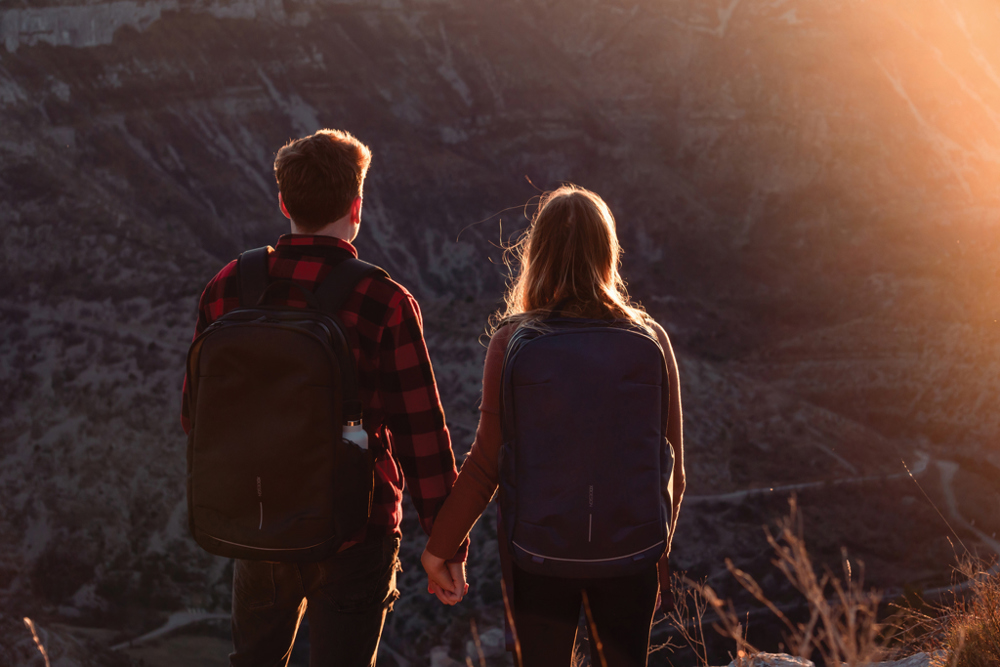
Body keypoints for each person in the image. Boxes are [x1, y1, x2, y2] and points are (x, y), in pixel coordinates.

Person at [181, 128, 468, 666]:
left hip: (259, 520)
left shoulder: (227, 287)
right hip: (357, 530)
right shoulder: (383, 300)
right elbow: (421, 435)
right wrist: (446, 545)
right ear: (356, 207)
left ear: (284, 201)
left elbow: (195, 413)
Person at [420, 184, 684, 667]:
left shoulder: (514, 338)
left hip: (538, 556)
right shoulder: (651, 338)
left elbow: (485, 465)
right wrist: (653, 553)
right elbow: (672, 474)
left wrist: (441, 547)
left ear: (536, 255)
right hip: (631, 556)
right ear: (608, 254)